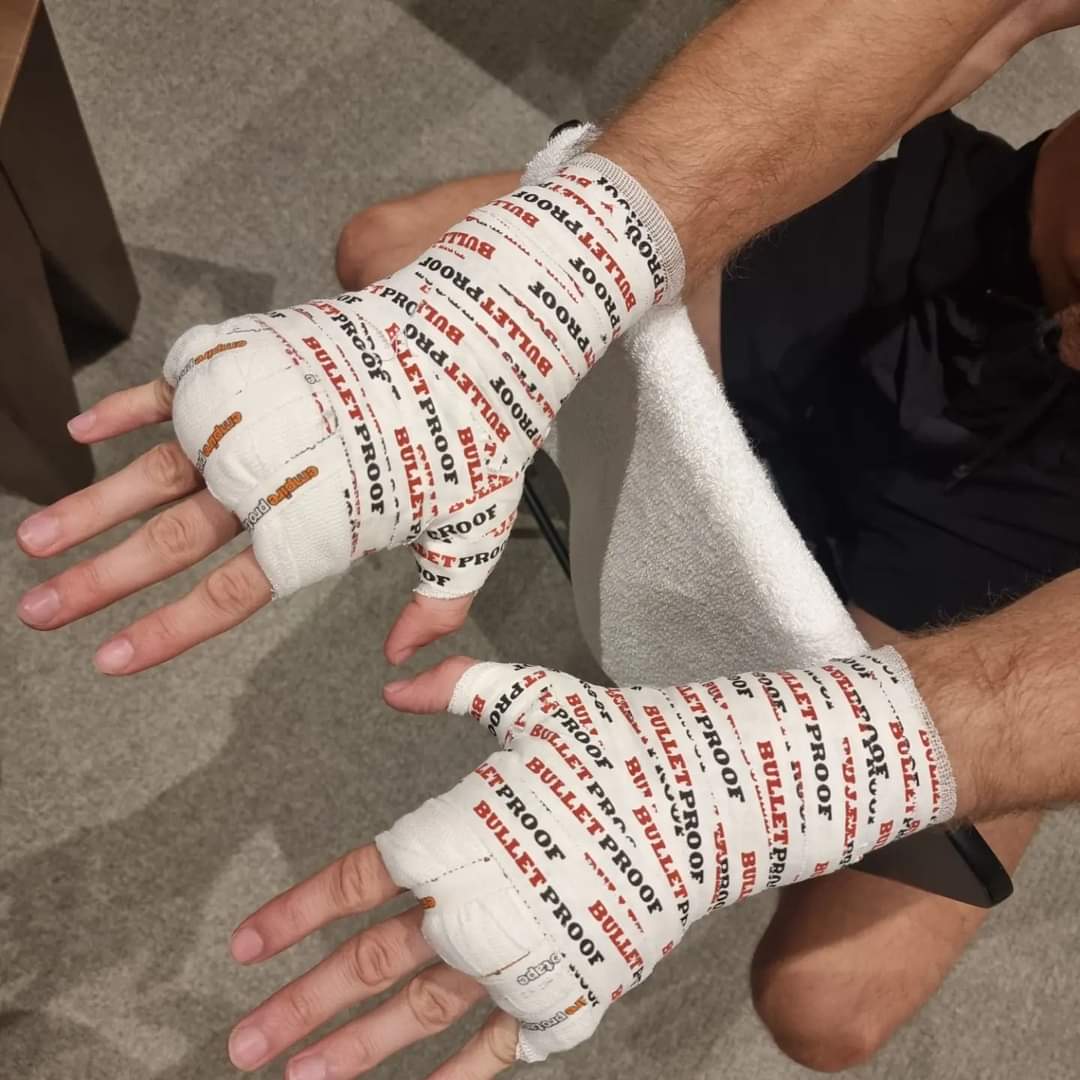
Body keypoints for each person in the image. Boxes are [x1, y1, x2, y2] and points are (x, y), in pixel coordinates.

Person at [11, 0, 1080, 1076]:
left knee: (824, 1006)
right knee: (389, 252)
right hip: (962, 250)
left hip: (1051, 505)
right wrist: (548, 272)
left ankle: (1003, 687)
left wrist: (788, 769)